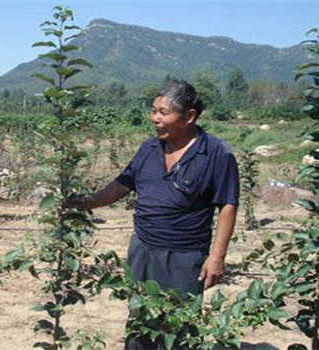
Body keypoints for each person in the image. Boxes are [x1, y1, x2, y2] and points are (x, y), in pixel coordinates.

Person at [77, 80, 239, 349]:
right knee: (140, 320)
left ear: (189, 116)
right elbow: (120, 185)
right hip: (142, 249)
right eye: (154, 111)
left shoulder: (215, 153)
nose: (155, 118)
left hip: (184, 256)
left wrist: (217, 256)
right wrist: (82, 203)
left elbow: (228, 205)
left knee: (179, 326)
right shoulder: (149, 149)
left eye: (164, 112)